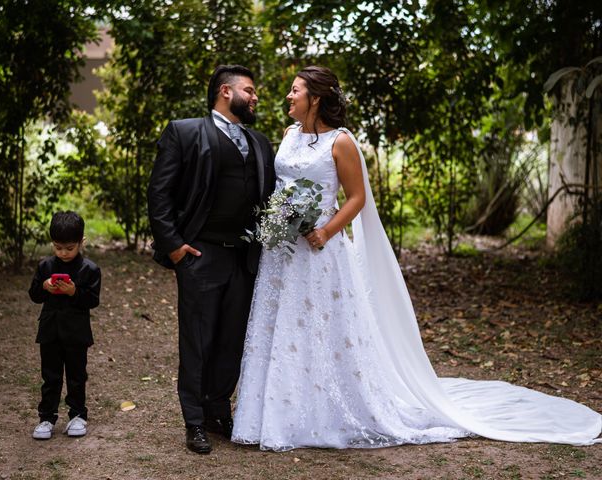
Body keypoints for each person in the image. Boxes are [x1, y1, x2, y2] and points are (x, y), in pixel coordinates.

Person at [232, 66, 602, 451]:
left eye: (295, 91)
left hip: (321, 250)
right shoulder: (290, 135)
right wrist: (278, 218)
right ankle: (277, 413)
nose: (288, 97)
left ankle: (329, 411)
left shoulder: (340, 142)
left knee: (322, 329)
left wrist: (324, 229)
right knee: (282, 329)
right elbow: (285, 187)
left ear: (316, 98)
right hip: (284, 253)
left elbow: (357, 197)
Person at [147, 65, 276, 454]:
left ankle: (219, 409)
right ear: (226, 91)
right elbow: (160, 193)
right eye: (249, 91)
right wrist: (173, 245)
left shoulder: (260, 142)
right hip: (200, 255)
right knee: (198, 340)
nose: (255, 98)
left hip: (245, 258)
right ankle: (195, 420)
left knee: (232, 339)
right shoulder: (184, 132)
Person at [28, 211, 101, 440]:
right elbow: (34, 295)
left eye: (69, 248)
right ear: (52, 243)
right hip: (50, 330)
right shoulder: (45, 266)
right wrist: (45, 287)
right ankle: (46, 417)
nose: (63, 253)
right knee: (50, 376)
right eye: (58, 247)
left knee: (76, 375)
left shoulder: (89, 269)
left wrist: (74, 292)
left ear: (81, 242)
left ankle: (78, 415)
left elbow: (93, 300)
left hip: (77, 332)